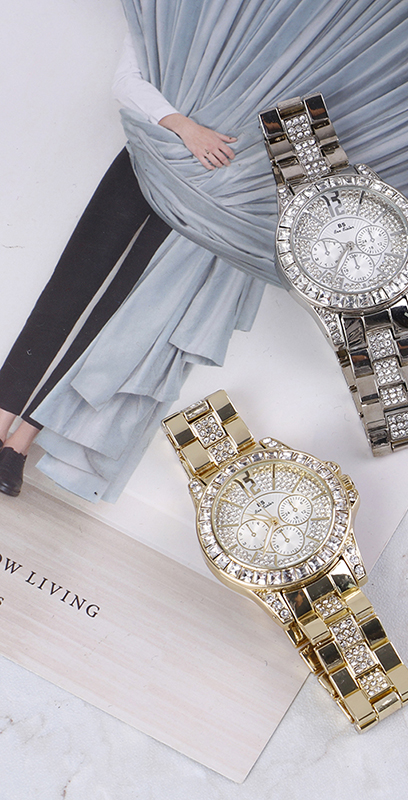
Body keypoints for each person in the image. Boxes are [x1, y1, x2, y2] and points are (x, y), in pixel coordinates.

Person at [0, 33, 237, 497]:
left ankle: (20, 445)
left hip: (212, 191)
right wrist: (186, 128)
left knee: (115, 317)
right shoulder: (179, 13)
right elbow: (128, 80)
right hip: (148, 158)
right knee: (68, 291)